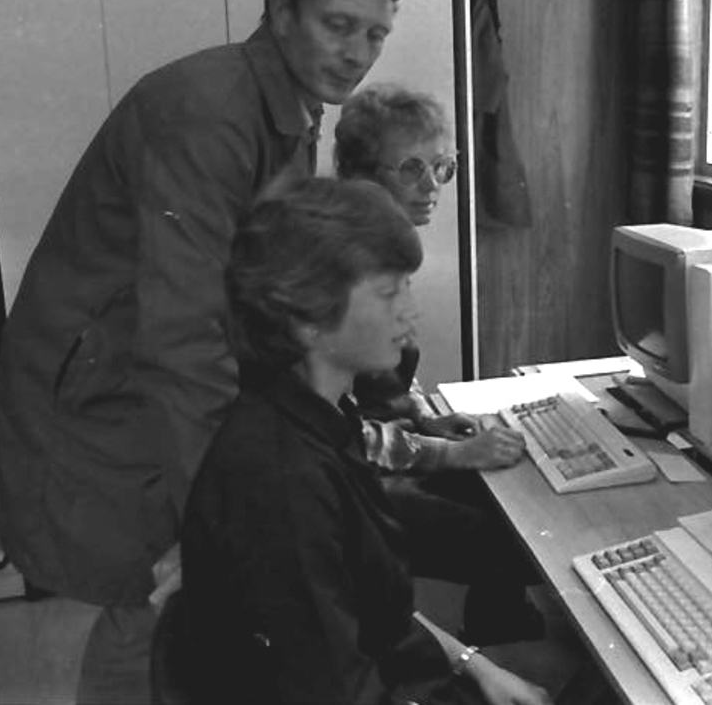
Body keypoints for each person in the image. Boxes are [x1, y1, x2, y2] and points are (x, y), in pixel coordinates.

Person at [0, 0, 401, 702]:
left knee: (172, 598)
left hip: (135, 382)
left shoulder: (289, 104)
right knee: (151, 599)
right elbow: (184, 336)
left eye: (375, 35)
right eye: (339, 25)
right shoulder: (210, 109)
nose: (357, 53)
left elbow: (260, 286)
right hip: (107, 398)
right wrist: (230, 510)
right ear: (279, 10)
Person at [181, 176, 552, 705]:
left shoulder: (324, 416)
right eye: (388, 292)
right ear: (307, 317)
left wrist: (472, 664)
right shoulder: (283, 482)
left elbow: (372, 606)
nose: (410, 312)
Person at [334, 82, 544, 645]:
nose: (432, 187)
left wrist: (426, 417)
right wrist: (450, 453)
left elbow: (382, 378)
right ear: (361, 175)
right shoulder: (345, 265)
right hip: (353, 485)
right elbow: (340, 434)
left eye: (442, 167)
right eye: (411, 169)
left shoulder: (380, 245)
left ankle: (500, 633)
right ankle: (497, 652)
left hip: (382, 451)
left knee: (512, 487)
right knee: (517, 540)